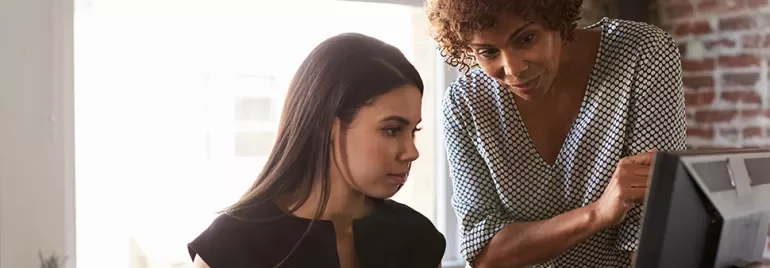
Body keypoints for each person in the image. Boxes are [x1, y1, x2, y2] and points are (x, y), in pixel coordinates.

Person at [428, 0, 687, 267]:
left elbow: (652, 233)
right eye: (488, 52)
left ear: (556, 17)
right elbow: (483, 253)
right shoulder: (465, 104)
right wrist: (597, 214)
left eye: (526, 39)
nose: (514, 69)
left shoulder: (641, 53)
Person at [187, 32, 446, 268]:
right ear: (327, 125)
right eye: (392, 130)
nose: (412, 152)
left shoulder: (418, 238)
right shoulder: (232, 245)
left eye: (414, 131)